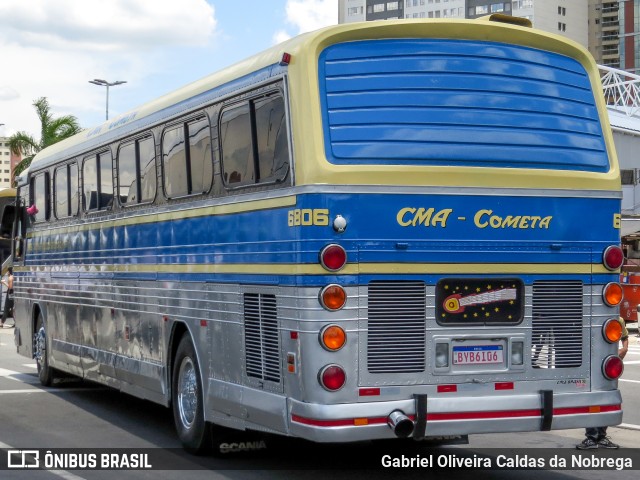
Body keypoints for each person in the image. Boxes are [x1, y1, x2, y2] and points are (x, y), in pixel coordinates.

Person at [576, 317, 629, 449]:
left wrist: (624, 349)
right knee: (592, 400)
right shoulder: (589, 318)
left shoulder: (618, 319)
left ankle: (601, 436)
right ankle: (592, 437)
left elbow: (625, 336)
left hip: (608, 367)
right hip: (591, 367)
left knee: (606, 400)